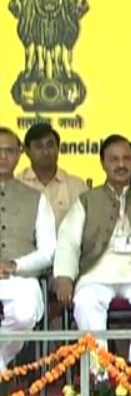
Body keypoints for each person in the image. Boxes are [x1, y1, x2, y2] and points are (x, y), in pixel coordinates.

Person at [54, 134, 131, 370]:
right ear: (102, 163)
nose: (121, 165)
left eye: (126, 159)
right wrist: (64, 276)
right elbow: (68, 241)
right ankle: (100, 373)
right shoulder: (87, 200)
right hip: (95, 275)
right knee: (86, 301)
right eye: (114, 159)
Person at [0, 127, 56, 371]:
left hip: (20, 278)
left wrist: (15, 265)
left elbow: (48, 251)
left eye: (9, 151)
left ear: (19, 154)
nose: (3, 157)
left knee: (25, 314)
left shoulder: (37, 198)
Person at [17, 123, 87, 228]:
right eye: (39, 147)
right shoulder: (17, 184)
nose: (45, 152)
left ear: (58, 149)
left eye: (50, 146)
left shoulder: (77, 186)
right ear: (27, 152)